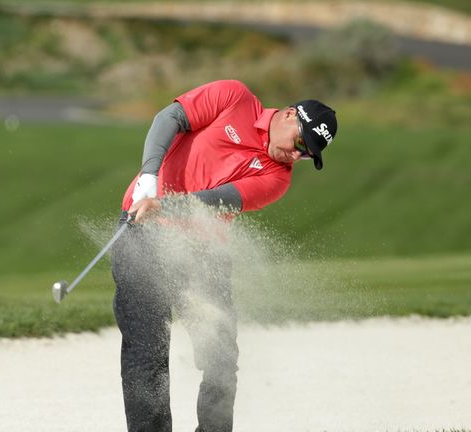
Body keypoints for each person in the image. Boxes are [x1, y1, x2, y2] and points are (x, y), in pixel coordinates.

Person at [110, 79, 338, 432]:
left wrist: (164, 204)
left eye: (307, 154)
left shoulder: (278, 177)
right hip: (141, 235)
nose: (297, 155)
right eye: (300, 143)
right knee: (147, 350)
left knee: (220, 358)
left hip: (202, 254)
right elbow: (168, 118)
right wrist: (149, 178)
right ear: (290, 115)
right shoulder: (234, 98)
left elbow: (219, 200)